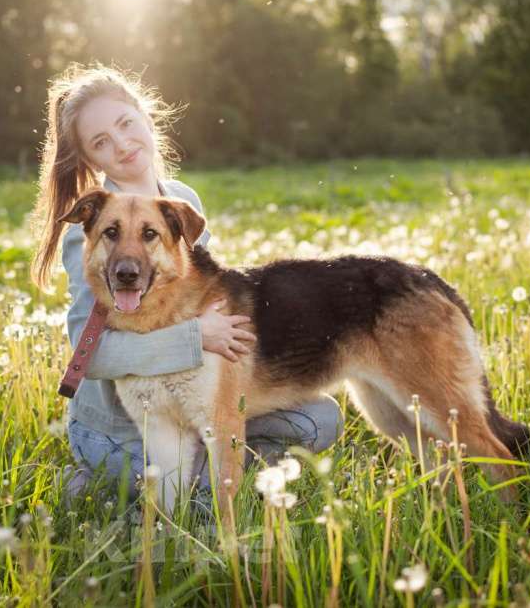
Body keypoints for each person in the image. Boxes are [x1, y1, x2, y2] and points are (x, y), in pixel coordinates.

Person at [31, 64, 343, 506]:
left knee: (318, 420)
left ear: (144, 117)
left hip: (189, 398)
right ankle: (100, 479)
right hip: (123, 426)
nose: (121, 144)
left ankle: (208, 477)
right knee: (188, 482)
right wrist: (197, 338)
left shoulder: (182, 201)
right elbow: (94, 355)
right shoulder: (92, 228)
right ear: (87, 159)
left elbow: (206, 298)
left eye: (125, 124)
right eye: (101, 142)